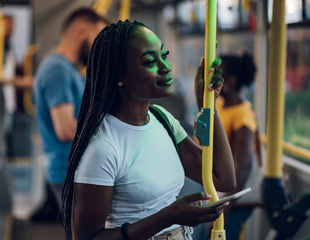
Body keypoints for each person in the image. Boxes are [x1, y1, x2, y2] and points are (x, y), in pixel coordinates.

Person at [61, 20, 236, 240]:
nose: (166, 67)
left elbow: (223, 179)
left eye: (165, 55)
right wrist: (169, 216)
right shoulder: (103, 147)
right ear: (119, 76)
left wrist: (207, 105)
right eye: (151, 62)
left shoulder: (163, 120)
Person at [33, 8, 109, 207]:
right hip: (70, 171)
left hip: (74, 169)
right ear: (80, 34)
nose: (101, 47)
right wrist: (112, 130)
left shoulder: (66, 68)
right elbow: (66, 129)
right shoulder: (58, 70)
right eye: (98, 38)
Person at [215, 52, 261, 240]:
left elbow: (244, 166)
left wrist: (225, 207)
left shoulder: (242, 115)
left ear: (231, 81)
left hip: (234, 197)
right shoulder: (220, 105)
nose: (213, 77)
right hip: (221, 190)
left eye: (219, 74)